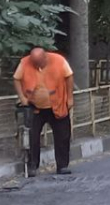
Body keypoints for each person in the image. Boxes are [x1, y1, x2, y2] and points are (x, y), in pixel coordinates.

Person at [13, 46, 74, 176]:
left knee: (63, 136)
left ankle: (62, 165)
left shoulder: (59, 60)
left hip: (57, 104)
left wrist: (69, 98)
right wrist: (22, 98)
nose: (37, 65)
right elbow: (16, 79)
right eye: (34, 63)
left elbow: (69, 76)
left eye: (39, 62)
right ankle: (32, 166)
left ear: (45, 57)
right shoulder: (25, 62)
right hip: (35, 107)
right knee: (32, 137)